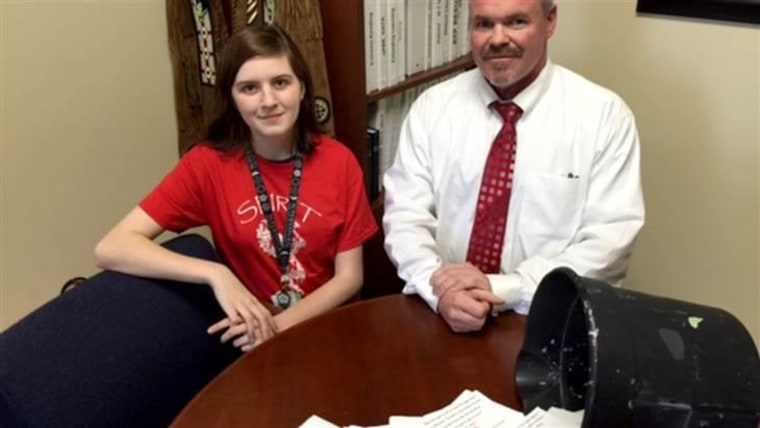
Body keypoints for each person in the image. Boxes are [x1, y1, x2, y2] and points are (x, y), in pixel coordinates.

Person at [95, 24, 378, 351]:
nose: (268, 101)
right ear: (232, 98)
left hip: (329, 329)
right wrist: (216, 274)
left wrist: (277, 328)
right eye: (249, 88)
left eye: (280, 83)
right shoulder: (207, 165)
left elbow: (350, 278)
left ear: (302, 88)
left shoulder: (339, 161)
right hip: (255, 341)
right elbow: (111, 247)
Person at [382, 0, 644, 333]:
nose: (498, 38)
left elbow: (610, 242)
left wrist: (505, 288)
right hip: (446, 313)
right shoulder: (432, 108)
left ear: (550, 21)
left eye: (517, 22)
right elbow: (405, 217)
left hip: (552, 319)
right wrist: (439, 286)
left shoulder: (604, 117)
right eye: (483, 24)